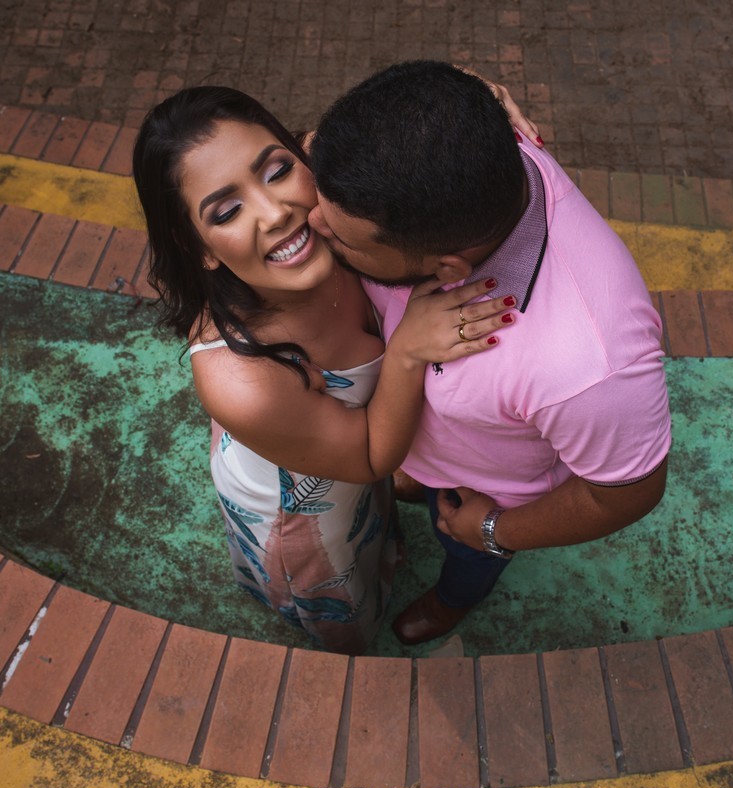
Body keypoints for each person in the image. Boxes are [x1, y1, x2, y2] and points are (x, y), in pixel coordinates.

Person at [132, 86, 516, 654]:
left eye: (277, 170)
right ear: (199, 248)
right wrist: (407, 350)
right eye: (227, 211)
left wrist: (479, 97)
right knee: (345, 590)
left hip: (352, 461)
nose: (275, 212)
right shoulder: (240, 382)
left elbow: (413, 116)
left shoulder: (327, 196)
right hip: (307, 508)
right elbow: (369, 456)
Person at [308, 61, 672, 646]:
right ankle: (421, 478)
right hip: (429, 444)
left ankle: (454, 598)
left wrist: (496, 529)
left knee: (464, 552)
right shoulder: (470, 140)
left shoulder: (589, 369)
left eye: (342, 236)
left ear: (448, 269)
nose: (311, 223)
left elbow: (628, 493)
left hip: (483, 493)